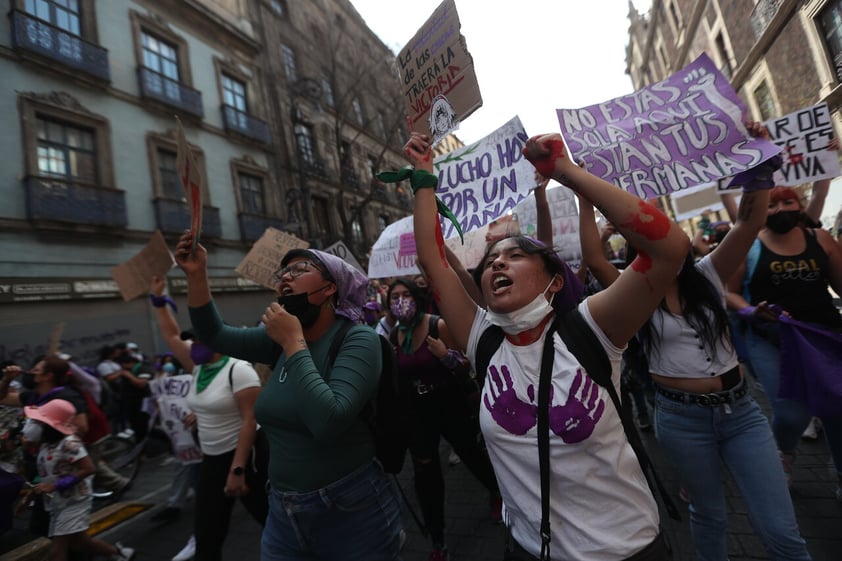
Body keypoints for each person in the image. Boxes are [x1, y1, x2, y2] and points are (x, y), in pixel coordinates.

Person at [407, 130, 690, 560]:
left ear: (555, 281)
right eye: (492, 260)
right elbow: (432, 258)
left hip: (627, 551)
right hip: (527, 550)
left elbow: (669, 249)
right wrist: (424, 177)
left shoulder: (593, 329)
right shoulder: (483, 340)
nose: (498, 261)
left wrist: (563, 170)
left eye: (516, 255)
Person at [581, 123, 812, 559]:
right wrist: (582, 193)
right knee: (709, 516)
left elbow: (748, 221)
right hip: (681, 420)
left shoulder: (707, 273)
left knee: (781, 532)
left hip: (741, 412)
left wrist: (757, 154)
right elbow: (594, 258)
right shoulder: (634, 294)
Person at [174, 238, 404, 561]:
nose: (285, 276)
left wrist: (293, 342)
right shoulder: (275, 342)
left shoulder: (358, 339)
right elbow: (214, 335)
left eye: (300, 269)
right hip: (283, 511)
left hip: (351, 509)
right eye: (284, 271)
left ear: (329, 289)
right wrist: (197, 276)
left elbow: (328, 421)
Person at [726, 184, 842, 500]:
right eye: (772, 206)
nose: (780, 211)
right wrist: (750, 310)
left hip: (822, 336)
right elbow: (728, 290)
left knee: (836, 405)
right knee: (792, 413)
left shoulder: (820, 239)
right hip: (772, 339)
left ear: (799, 205)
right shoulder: (749, 244)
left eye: (787, 203)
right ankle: (784, 454)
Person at [147, 275, 267, 561]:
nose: (193, 344)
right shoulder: (198, 367)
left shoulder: (239, 370)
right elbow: (171, 335)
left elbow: (249, 421)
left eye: (200, 339)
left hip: (246, 459)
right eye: (193, 340)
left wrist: (237, 470)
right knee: (207, 534)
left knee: (273, 521)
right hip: (211, 458)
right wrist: (158, 299)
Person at [387, 277, 500, 561]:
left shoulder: (437, 324)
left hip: (449, 403)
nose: (400, 300)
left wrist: (445, 355)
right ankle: (437, 540)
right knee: (426, 475)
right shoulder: (393, 336)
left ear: (416, 296)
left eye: (405, 294)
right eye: (394, 297)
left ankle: (498, 492)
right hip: (418, 412)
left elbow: (466, 366)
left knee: (471, 454)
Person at [22, 398, 134, 561]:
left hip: (74, 501)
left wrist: (56, 485)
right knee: (79, 542)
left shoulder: (70, 443)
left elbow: (89, 468)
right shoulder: (46, 444)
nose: (34, 425)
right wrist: (30, 496)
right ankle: (119, 553)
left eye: (39, 422)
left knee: (57, 550)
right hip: (57, 503)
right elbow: (47, 474)